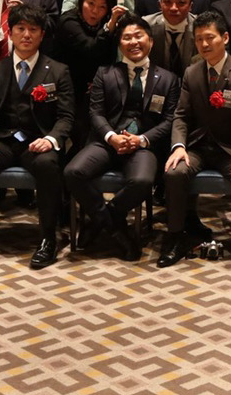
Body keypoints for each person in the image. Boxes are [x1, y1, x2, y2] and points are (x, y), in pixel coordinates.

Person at [0, 4, 74, 270]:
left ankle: (48, 238)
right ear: (10, 33)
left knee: (48, 164)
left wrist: (51, 139)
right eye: (20, 29)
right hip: (2, 141)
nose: (26, 35)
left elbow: (66, 117)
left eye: (33, 29)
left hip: (37, 142)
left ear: (42, 35)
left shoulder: (58, 71)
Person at [158, 10, 231, 277]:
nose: (204, 44)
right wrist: (179, 146)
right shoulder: (192, 72)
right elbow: (181, 116)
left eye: (210, 38)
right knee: (174, 171)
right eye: (198, 39)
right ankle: (176, 237)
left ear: (225, 38)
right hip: (198, 146)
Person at [65, 14, 179, 261]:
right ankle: (117, 230)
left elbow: (169, 120)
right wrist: (111, 137)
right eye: (127, 38)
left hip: (143, 145)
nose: (133, 42)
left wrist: (141, 140)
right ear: (120, 44)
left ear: (150, 41)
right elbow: (95, 112)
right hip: (107, 141)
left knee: (142, 180)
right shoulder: (105, 73)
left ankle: (101, 219)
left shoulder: (168, 79)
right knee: (73, 172)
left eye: (139, 36)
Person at [55, 0, 125, 148]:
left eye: (102, 7)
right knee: (80, 130)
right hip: (68, 87)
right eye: (91, 3)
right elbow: (90, 48)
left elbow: (109, 57)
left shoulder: (108, 22)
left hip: (96, 86)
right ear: (81, 1)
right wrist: (109, 27)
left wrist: (100, 82)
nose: (95, 11)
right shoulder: (68, 21)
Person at [147, 0, 201, 78]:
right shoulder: (146, 26)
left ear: (190, 6)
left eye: (181, 3)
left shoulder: (200, 29)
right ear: (160, 5)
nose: (174, 8)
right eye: (168, 2)